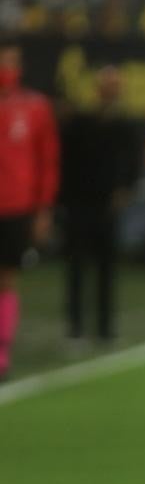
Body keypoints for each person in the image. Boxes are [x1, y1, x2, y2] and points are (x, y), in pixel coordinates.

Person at [59, 65, 142, 344]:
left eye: (116, 85)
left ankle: (105, 326)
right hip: (80, 203)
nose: (112, 90)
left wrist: (126, 189)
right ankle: (75, 325)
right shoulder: (81, 122)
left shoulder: (125, 124)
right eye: (108, 85)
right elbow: (66, 160)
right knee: (77, 266)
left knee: (107, 267)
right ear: (99, 89)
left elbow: (134, 162)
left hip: (108, 205)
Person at [0, 43, 59, 381]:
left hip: (16, 207)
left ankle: (2, 349)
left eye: (12, 60)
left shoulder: (35, 107)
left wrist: (43, 209)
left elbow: (47, 160)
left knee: (7, 278)